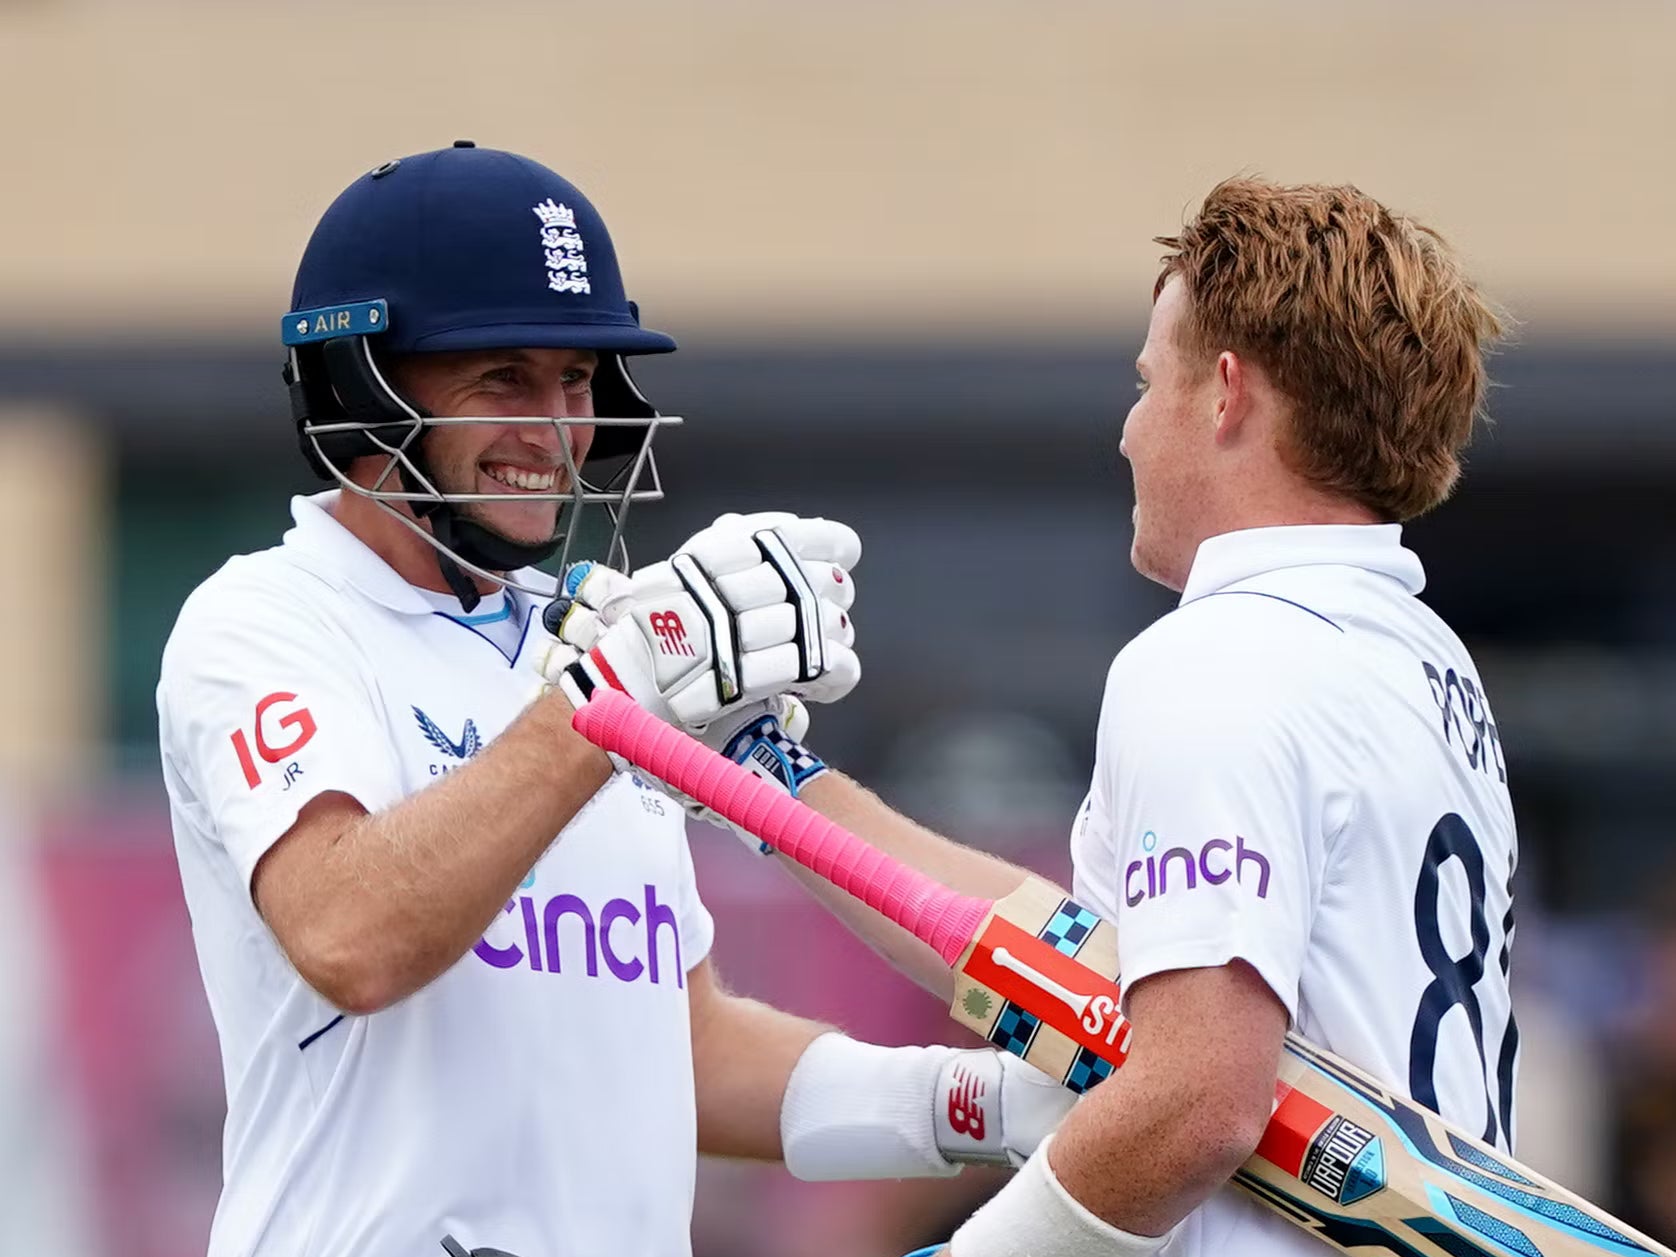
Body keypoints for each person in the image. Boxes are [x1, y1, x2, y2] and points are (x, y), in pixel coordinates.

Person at [155, 142, 1071, 1257]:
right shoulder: (266, 618)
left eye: (577, 379)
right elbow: (353, 936)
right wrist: (611, 699)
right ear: (361, 387)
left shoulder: (581, 632)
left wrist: (970, 1106)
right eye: (503, 377)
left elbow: (675, 1047)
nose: (556, 429)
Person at [576, 176, 1513, 1257]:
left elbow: (1199, 1099)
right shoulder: (1413, 657)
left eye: (1142, 381)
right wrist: (762, 776)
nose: (1125, 432)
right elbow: (1082, 971)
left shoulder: (1218, 659)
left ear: (1224, 394)